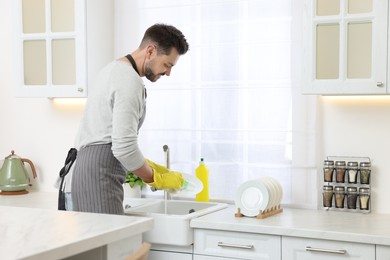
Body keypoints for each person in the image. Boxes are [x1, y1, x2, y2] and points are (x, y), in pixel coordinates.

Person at [70, 23, 190, 215]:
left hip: (90, 169)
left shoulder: (114, 70)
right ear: (150, 50)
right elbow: (123, 148)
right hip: (100, 171)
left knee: (100, 242)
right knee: (108, 242)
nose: (168, 73)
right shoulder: (129, 80)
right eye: (167, 65)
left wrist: (147, 165)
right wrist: (155, 179)